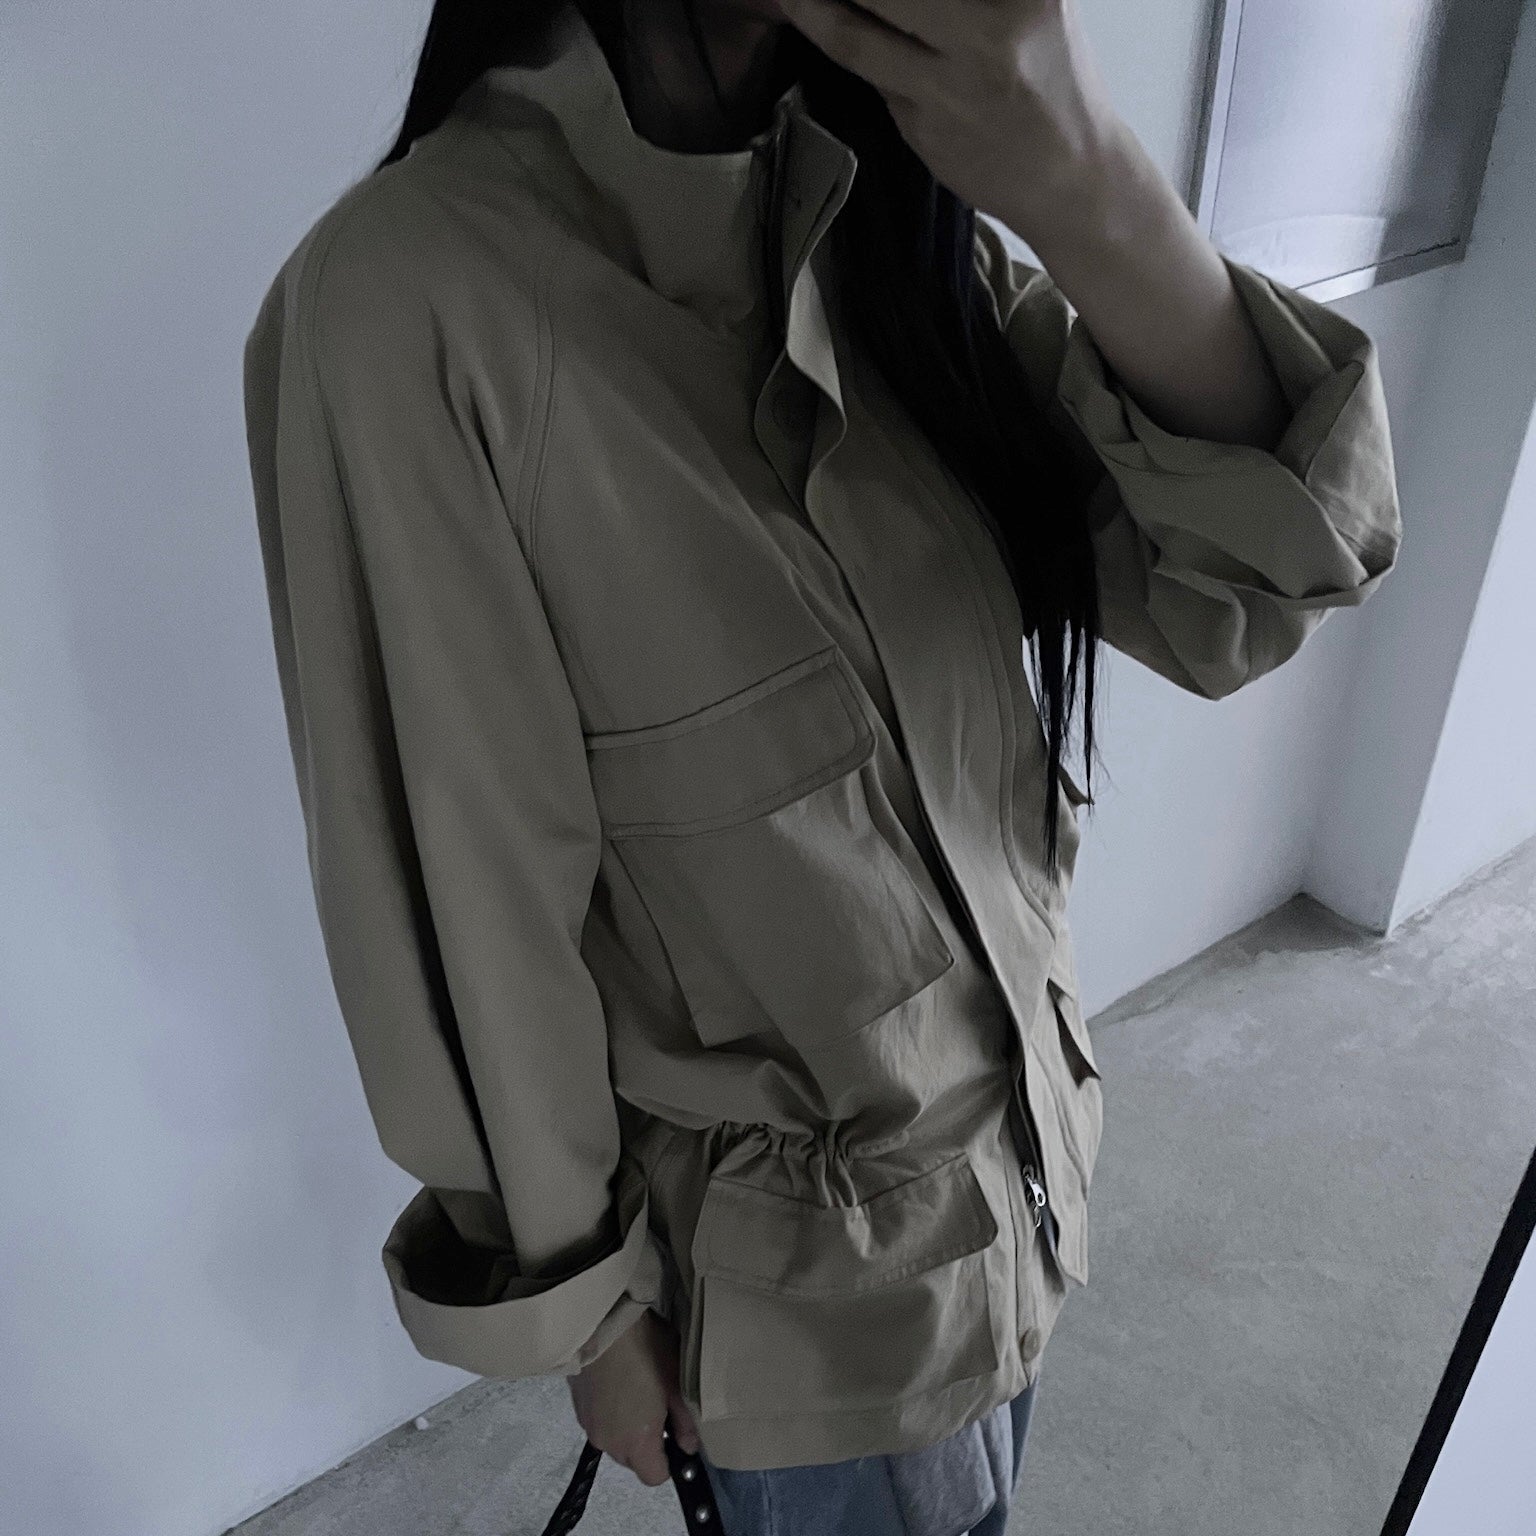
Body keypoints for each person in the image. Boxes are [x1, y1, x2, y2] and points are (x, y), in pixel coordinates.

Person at [241, 1, 1403, 1531]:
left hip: (1024, 1186)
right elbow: (464, 901)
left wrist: (1085, 181)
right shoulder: (413, 298)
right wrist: (585, 1310)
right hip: (796, 1318)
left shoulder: (882, 205)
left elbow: (1252, 578)